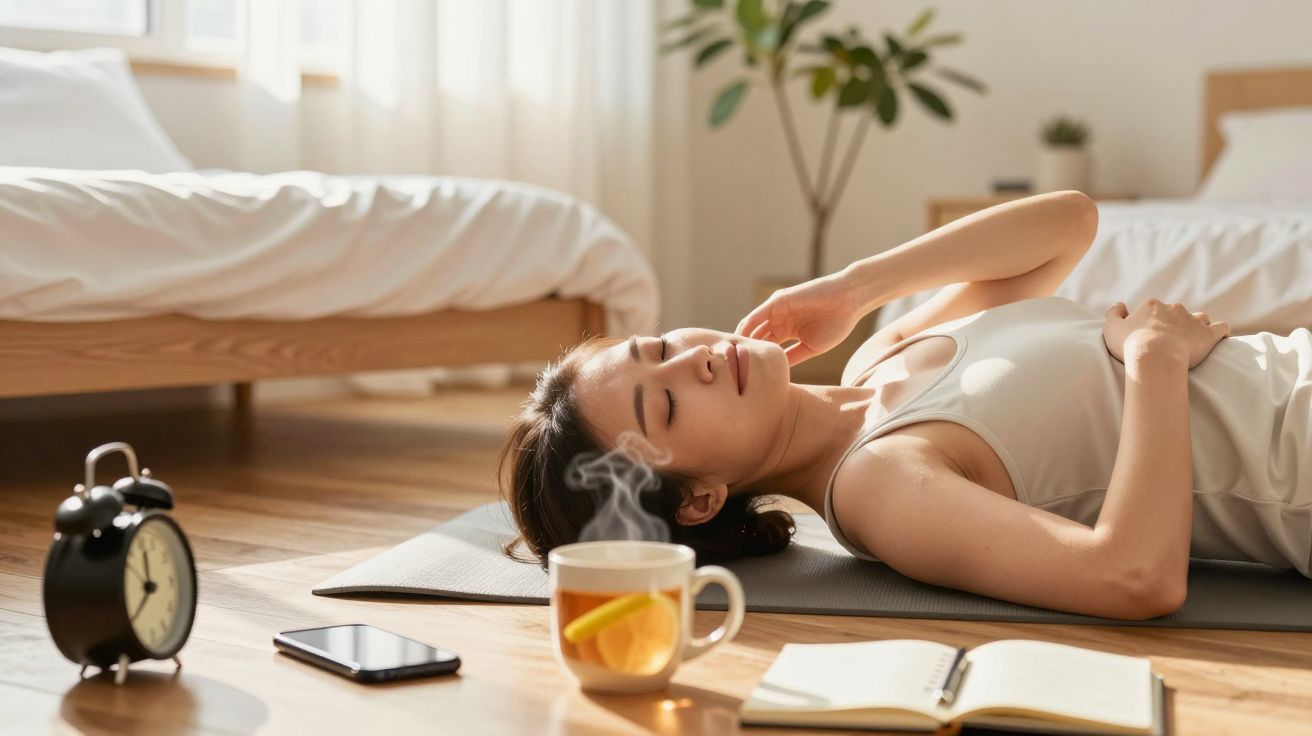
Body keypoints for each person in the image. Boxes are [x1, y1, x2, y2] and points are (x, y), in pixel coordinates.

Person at [500, 190, 1312, 621]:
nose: (697, 360)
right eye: (667, 407)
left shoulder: (883, 354)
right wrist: (1155, 365)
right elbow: (1133, 577)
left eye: (662, 347)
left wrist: (859, 288)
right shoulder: (879, 483)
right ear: (702, 497)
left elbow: (1068, 222)